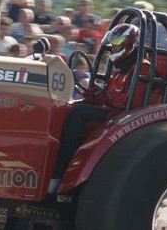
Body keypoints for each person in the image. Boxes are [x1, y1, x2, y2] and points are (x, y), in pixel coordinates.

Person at [50, 23, 146, 192]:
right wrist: (94, 94)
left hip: (121, 117)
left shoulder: (141, 68)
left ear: (129, 44)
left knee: (78, 113)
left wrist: (104, 97)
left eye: (117, 43)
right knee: (71, 106)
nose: (114, 47)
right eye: (113, 44)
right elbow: (108, 93)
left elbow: (131, 102)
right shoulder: (121, 68)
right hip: (111, 110)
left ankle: (60, 172)